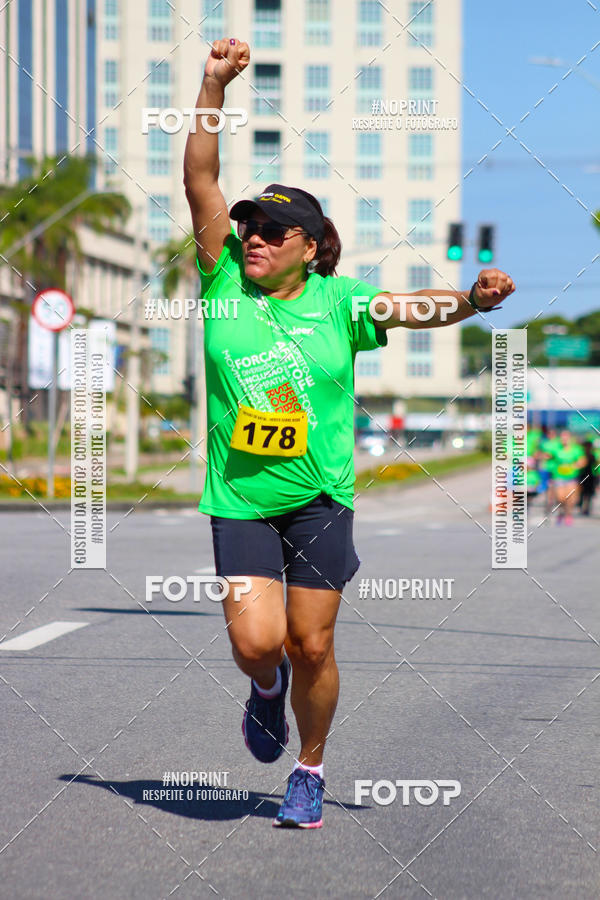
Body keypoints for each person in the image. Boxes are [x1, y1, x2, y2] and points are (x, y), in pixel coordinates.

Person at [183, 37, 516, 829]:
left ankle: (309, 768)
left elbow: (409, 308)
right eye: (249, 226)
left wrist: (470, 301)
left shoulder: (340, 301)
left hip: (321, 499)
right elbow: (200, 176)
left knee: (313, 645)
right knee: (258, 645)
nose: (254, 237)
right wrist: (212, 85)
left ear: (308, 247)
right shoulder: (222, 279)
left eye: (272, 230)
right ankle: (265, 692)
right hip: (240, 498)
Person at [550, 430, 586, 525]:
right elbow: (548, 456)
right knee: (561, 497)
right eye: (562, 437)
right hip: (559, 476)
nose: (564, 439)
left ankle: (568, 514)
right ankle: (561, 512)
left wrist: (576, 465)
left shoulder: (576, 449)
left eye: (566, 437)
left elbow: (583, 461)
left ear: (570, 438)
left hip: (571, 477)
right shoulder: (556, 448)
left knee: (570, 498)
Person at [578, 439, 598, 516]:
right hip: (582, 475)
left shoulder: (592, 456)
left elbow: (595, 466)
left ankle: (587, 508)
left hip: (590, 476)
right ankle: (581, 505)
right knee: (582, 492)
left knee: (588, 493)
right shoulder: (581, 455)